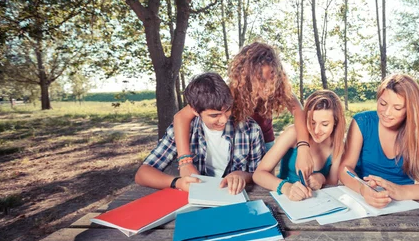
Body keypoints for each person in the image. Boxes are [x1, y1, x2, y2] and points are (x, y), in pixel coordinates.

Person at [173, 42, 316, 178]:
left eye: (272, 76)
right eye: (261, 79)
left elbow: (299, 113)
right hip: (241, 144)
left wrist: (303, 147)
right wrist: (185, 161)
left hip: (265, 141)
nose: (268, 85)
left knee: (265, 182)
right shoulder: (231, 91)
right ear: (247, 76)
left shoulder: (280, 88)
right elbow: (181, 117)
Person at [339, 74, 419, 208]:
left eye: (397, 108)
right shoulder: (363, 122)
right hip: (364, 202)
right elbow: (345, 169)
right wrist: (363, 188)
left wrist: (402, 191)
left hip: (403, 206)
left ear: (410, 110)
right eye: (383, 103)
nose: (387, 113)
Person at [135, 72, 265, 195]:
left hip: (233, 197)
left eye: (228, 110)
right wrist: (177, 182)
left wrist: (242, 176)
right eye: (214, 115)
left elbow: (259, 174)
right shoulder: (185, 131)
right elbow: (142, 174)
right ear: (195, 111)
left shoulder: (250, 130)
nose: (224, 119)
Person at [253, 90, 346, 201]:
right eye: (312, 122)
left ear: (335, 122)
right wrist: (287, 188)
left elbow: (332, 183)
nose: (316, 130)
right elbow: (258, 175)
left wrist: (322, 179)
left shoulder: (338, 146)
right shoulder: (293, 133)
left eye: (325, 124)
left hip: (315, 203)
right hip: (283, 198)